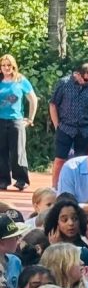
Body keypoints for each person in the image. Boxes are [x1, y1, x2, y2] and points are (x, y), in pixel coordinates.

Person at [49, 63, 88, 187]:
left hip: (85, 129)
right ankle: (55, 187)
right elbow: (53, 104)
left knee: (83, 161)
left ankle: (80, 187)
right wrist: (56, 124)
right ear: (78, 74)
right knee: (60, 159)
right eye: (86, 79)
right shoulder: (64, 83)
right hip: (66, 127)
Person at [0, 54, 38, 191]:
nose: (6, 68)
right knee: (1, 152)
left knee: (18, 152)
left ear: (13, 66)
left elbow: (33, 99)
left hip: (16, 120)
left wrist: (30, 118)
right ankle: (3, 180)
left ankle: (21, 179)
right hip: (0, 120)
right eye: (3, 65)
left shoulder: (21, 80)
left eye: (9, 65)